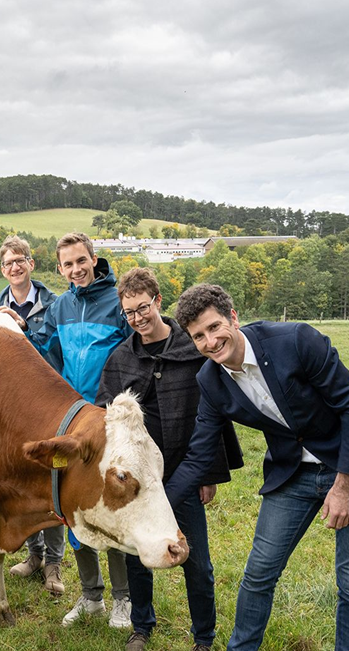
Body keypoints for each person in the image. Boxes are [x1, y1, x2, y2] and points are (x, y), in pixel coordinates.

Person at [168, 284, 349, 651]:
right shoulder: (210, 382)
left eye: (214, 328)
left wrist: (344, 486)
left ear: (234, 318)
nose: (209, 342)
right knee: (259, 572)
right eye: (198, 336)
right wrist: (159, 510)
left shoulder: (295, 340)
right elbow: (198, 456)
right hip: (294, 471)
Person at [96, 268, 244, 651]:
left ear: (158, 302)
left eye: (142, 307)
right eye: (128, 312)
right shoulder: (120, 358)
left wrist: (208, 474)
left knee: (196, 563)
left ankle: (203, 639)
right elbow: (105, 417)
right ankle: (141, 627)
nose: (137, 318)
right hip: (138, 482)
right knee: (137, 556)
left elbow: (211, 417)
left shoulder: (193, 351)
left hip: (184, 470)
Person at [25, 232, 133, 628]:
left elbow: (135, 352)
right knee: (76, 511)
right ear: (59, 269)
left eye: (81, 261)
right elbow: (44, 355)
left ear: (94, 259)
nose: (76, 269)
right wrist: (11, 329)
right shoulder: (60, 307)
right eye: (68, 264)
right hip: (73, 423)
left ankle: (123, 600)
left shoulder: (116, 301)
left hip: (111, 421)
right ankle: (91, 597)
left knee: (112, 509)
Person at [0, 235, 65, 596]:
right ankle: (33, 556)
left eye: (20, 260)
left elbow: (53, 349)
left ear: (31, 264)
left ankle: (54, 564)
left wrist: (22, 328)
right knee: (22, 481)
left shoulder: (53, 304)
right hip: (13, 409)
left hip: (49, 404)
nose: (15, 267)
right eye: (8, 263)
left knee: (51, 483)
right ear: (1, 270)